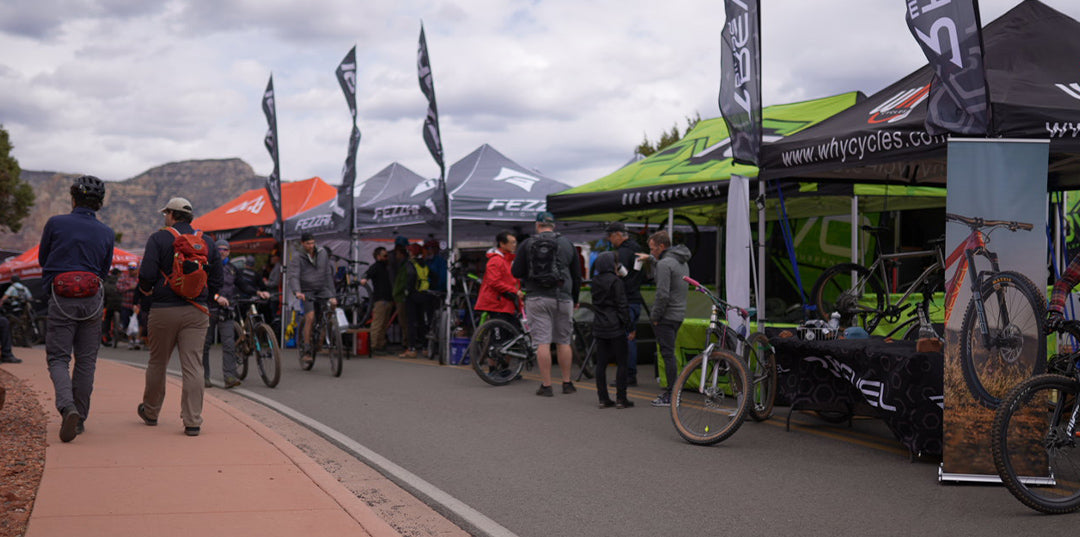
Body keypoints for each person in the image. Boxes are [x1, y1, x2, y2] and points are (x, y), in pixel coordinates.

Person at [137, 197, 224, 437]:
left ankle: (152, 412)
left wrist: (149, 291)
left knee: (157, 362)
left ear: (171, 215)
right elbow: (218, 279)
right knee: (193, 365)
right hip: (197, 311)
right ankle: (192, 421)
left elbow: (146, 273)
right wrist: (204, 296)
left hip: (163, 308)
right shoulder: (207, 241)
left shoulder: (158, 238)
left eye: (166, 214)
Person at [39, 175, 115, 442]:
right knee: (86, 359)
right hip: (92, 298)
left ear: (73, 199)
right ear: (99, 203)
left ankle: (66, 407)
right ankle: (80, 418)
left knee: (58, 358)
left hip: (60, 297)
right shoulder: (106, 232)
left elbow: (43, 259)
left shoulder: (56, 223)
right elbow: (104, 270)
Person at [511, 211, 583, 396]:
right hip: (563, 297)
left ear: (537, 225)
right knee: (563, 341)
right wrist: (574, 297)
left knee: (542, 342)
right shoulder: (567, 244)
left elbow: (516, 272)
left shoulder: (527, 244)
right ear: (554, 225)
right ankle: (567, 383)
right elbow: (576, 275)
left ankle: (547, 385)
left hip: (537, 298)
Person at [639, 230, 691, 407]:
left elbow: (662, 295)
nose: (652, 251)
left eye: (653, 249)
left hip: (666, 316)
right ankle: (673, 393)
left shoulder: (664, 264)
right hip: (678, 314)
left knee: (667, 355)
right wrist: (651, 259)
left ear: (662, 246)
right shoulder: (680, 261)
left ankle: (672, 395)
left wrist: (654, 316)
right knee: (670, 353)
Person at [590, 251, 634, 409]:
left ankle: (603, 398)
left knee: (601, 363)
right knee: (622, 362)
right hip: (615, 326)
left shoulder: (594, 281)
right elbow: (622, 305)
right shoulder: (616, 282)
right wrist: (629, 326)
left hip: (599, 325)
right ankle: (621, 399)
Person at [286, 233, 337, 366]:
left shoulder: (322, 253)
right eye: (308, 243)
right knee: (310, 317)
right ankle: (307, 349)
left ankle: (323, 333)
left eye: (312, 243)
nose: (311, 246)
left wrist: (332, 294)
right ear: (302, 243)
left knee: (332, 305)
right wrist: (297, 291)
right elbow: (293, 276)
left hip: (322, 287)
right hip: (306, 290)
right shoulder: (297, 257)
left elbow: (327, 274)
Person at [605, 222, 644, 386]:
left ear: (618, 235)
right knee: (631, 337)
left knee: (626, 338)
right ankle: (630, 374)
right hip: (636, 298)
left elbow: (618, 278)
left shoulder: (621, 253)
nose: (609, 240)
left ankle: (628, 375)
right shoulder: (638, 250)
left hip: (625, 301)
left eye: (610, 236)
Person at [201, 239, 241, 389]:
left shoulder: (233, 269)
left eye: (225, 249)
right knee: (205, 344)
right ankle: (204, 377)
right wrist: (217, 297)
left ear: (229, 252)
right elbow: (204, 288)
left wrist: (259, 292)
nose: (222, 251)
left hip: (227, 311)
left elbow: (242, 284)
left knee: (229, 344)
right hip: (209, 309)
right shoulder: (207, 267)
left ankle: (230, 376)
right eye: (219, 249)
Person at [475, 230, 520, 325]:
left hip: (505, 303)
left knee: (509, 334)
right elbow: (494, 282)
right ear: (502, 244)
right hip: (496, 304)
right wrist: (515, 291)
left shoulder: (507, 260)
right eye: (512, 242)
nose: (514, 245)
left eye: (515, 242)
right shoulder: (496, 260)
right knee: (499, 336)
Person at [359, 246, 394, 354]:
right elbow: (366, 275)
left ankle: (380, 344)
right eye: (385, 255)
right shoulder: (376, 267)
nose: (387, 257)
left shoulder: (386, 267)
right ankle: (374, 346)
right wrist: (364, 279)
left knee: (384, 324)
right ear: (378, 257)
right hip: (380, 299)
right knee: (378, 323)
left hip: (388, 299)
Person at [401, 243, 433, 358]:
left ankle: (412, 348)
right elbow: (433, 275)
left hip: (413, 295)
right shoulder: (424, 263)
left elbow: (410, 275)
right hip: (424, 294)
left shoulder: (411, 263)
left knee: (411, 322)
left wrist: (407, 291)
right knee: (422, 322)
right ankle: (425, 348)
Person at [117, 261, 141, 349]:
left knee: (139, 323)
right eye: (131, 270)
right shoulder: (124, 278)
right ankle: (130, 340)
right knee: (126, 322)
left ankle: (137, 340)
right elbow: (118, 288)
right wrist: (129, 288)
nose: (132, 271)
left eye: (134, 270)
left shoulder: (140, 278)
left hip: (138, 305)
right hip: (126, 304)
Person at [101, 268, 123, 345]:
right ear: (118, 274)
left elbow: (103, 294)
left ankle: (105, 335)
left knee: (107, 320)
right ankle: (120, 329)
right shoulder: (120, 282)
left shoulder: (106, 282)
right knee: (122, 318)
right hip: (120, 304)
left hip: (109, 305)